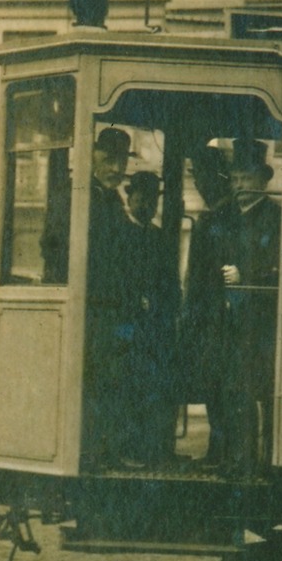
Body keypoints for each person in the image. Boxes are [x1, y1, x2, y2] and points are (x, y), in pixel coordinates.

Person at [220, 138, 282, 477]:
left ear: (263, 180)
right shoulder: (225, 217)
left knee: (264, 391)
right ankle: (235, 459)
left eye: (247, 178)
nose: (240, 186)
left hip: (262, 321)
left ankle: (266, 462)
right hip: (230, 321)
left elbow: (279, 265)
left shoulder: (276, 217)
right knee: (232, 391)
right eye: (235, 179)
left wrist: (247, 274)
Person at [84, 127, 138, 467]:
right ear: (92, 157)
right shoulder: (82, 198)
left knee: (115, 380)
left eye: (120, 162)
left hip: (113, 310)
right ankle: (98, 453)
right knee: (100, 382)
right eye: (107, 160)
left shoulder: (112, 200)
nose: (115, 168)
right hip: (94, 310)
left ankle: (107, 451)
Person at [180, 147, 236, 468]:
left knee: (218, 383)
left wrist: (193, 311)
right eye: (195, 176)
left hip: (217, 315)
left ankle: (221, 452)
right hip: (207, 314)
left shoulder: (223, 217)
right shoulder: (213, 216)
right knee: (213, 382)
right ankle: (219, 450)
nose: (199, 182)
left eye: (202, 175)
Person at [119, 171, 176, 464]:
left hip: (155, 327)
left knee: (156, 388)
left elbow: (169, 282)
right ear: (129, 198)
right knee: (130, 390)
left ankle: (156, 451)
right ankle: (131, 450)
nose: (147, 205)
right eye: (141, 197)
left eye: (152, 200)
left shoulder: (158, 236)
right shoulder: (119, 233)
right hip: (127, 327)